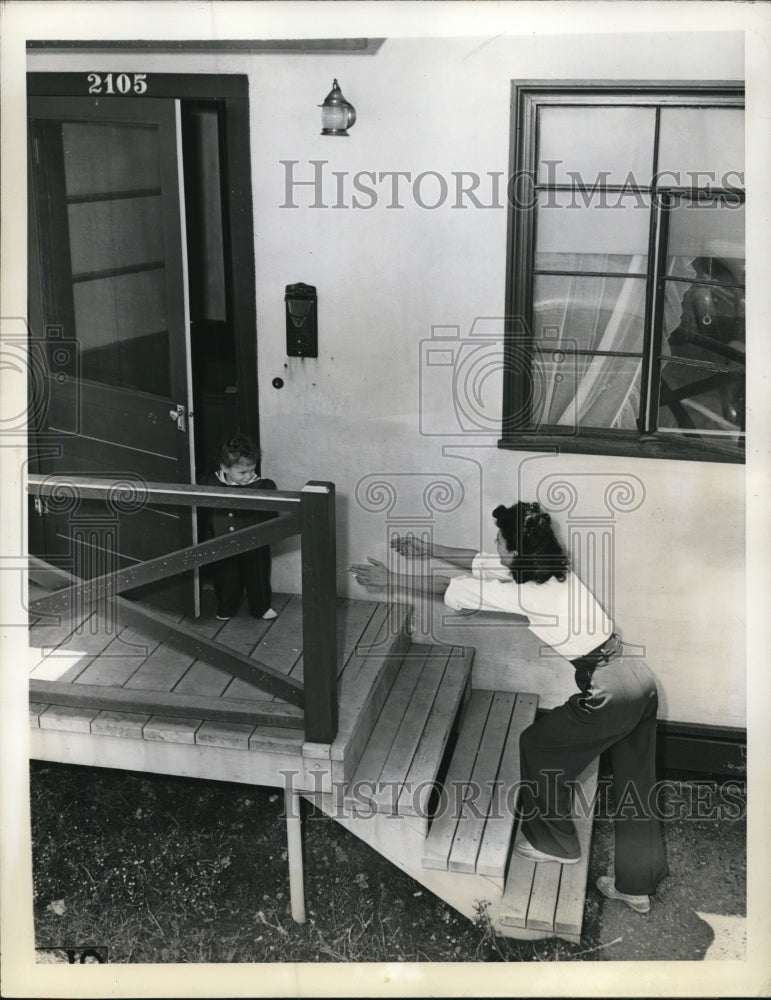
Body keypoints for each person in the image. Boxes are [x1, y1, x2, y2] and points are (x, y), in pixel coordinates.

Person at [349, 500, 668, 914]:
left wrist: (392, 578)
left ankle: (556, 844)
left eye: (501, 539)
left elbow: (453, 589)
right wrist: (428, 549)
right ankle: (636, 885)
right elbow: (481, 564)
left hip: (609, 690)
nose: (494, 544)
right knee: (636, 781)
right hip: (637, 678)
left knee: (538, 745)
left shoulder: (525, 590)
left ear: (517, 550)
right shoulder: (551, 568)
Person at [203, 434, 277, 622]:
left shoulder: (262, 485)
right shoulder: (211, 483)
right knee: (226, 576)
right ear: (224, 468)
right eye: (242, 473)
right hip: (224, 542)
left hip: (254, 541)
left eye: (251, 470)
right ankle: (226, 606)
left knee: (257, 576)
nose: (249, 476)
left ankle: (260, 607)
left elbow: (272, 514)